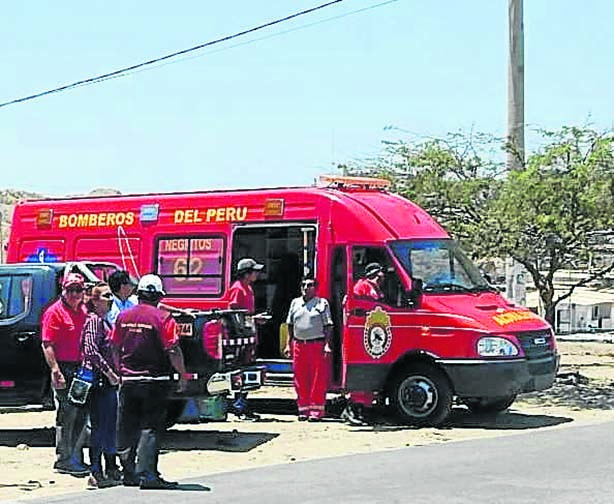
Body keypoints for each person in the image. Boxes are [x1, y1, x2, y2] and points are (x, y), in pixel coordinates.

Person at [110, 274, 188, 490]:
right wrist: (182, 374)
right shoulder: (164, 319)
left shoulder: (123, 317)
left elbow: (114, 346)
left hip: (129, 381)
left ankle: (128, 472)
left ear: (139, 294)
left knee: (127, 426)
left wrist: (120, 371)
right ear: (159, 296)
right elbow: (173, 349)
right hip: (155, 381)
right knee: (150, 427)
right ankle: (148, 475)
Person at [41, 273, 89, 476]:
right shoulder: (55, 313)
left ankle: (76, 456)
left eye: (78, 290)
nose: (75, 294)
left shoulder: (84, 311)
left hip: (81, 369)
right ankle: (64, 458)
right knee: (66, 414)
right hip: (64, 368)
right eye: (71, 290)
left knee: (81, 414)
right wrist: (55, 370)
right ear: (63, 290)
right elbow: (47, 344)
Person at [81, 282, 122, 489]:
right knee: (99, 427)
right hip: (99, 381)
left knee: (108, 426)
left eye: (111, 295)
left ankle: (110, 468)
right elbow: (90, 350)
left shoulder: (105, 321)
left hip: (107, 382)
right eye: (105, 296)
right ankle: (95, 471)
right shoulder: (94, 321)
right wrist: (109, 372)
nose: (110, 299)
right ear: (95, 301)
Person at [342, 262, 386, 426]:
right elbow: (356, 308)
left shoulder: (375, 289)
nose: (384, 276)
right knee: (361, 371)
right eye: (381, 273)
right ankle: (352, 409)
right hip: (361, 334)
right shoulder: (361, 287)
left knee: (372, 373)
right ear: (376, 273)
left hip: (374, 333)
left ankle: (365, 410)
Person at [284, 278, 333, 422]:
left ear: (315, 288)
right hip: (299, 345)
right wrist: (288, 344)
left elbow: (328, 326)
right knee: (300, 378)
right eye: (303, 285)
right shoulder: (295, 303)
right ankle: (303, 410)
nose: (306, 287)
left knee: (317, 378)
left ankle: (316, 411)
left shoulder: (322, 303)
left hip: (316, 344)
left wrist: (327, 344)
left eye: (310, 285)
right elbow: (290, 325)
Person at [226, 257, 265, 421]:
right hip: (239, 338)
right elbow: (234, 314)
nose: (257, 274)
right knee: (239, 372)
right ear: (246, 273)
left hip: (248, 337)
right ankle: (238, 408)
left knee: (247, 371)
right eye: (254, 271)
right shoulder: (237, 289)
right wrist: (254, 319)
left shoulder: (248, 289)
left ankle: (242, 406)